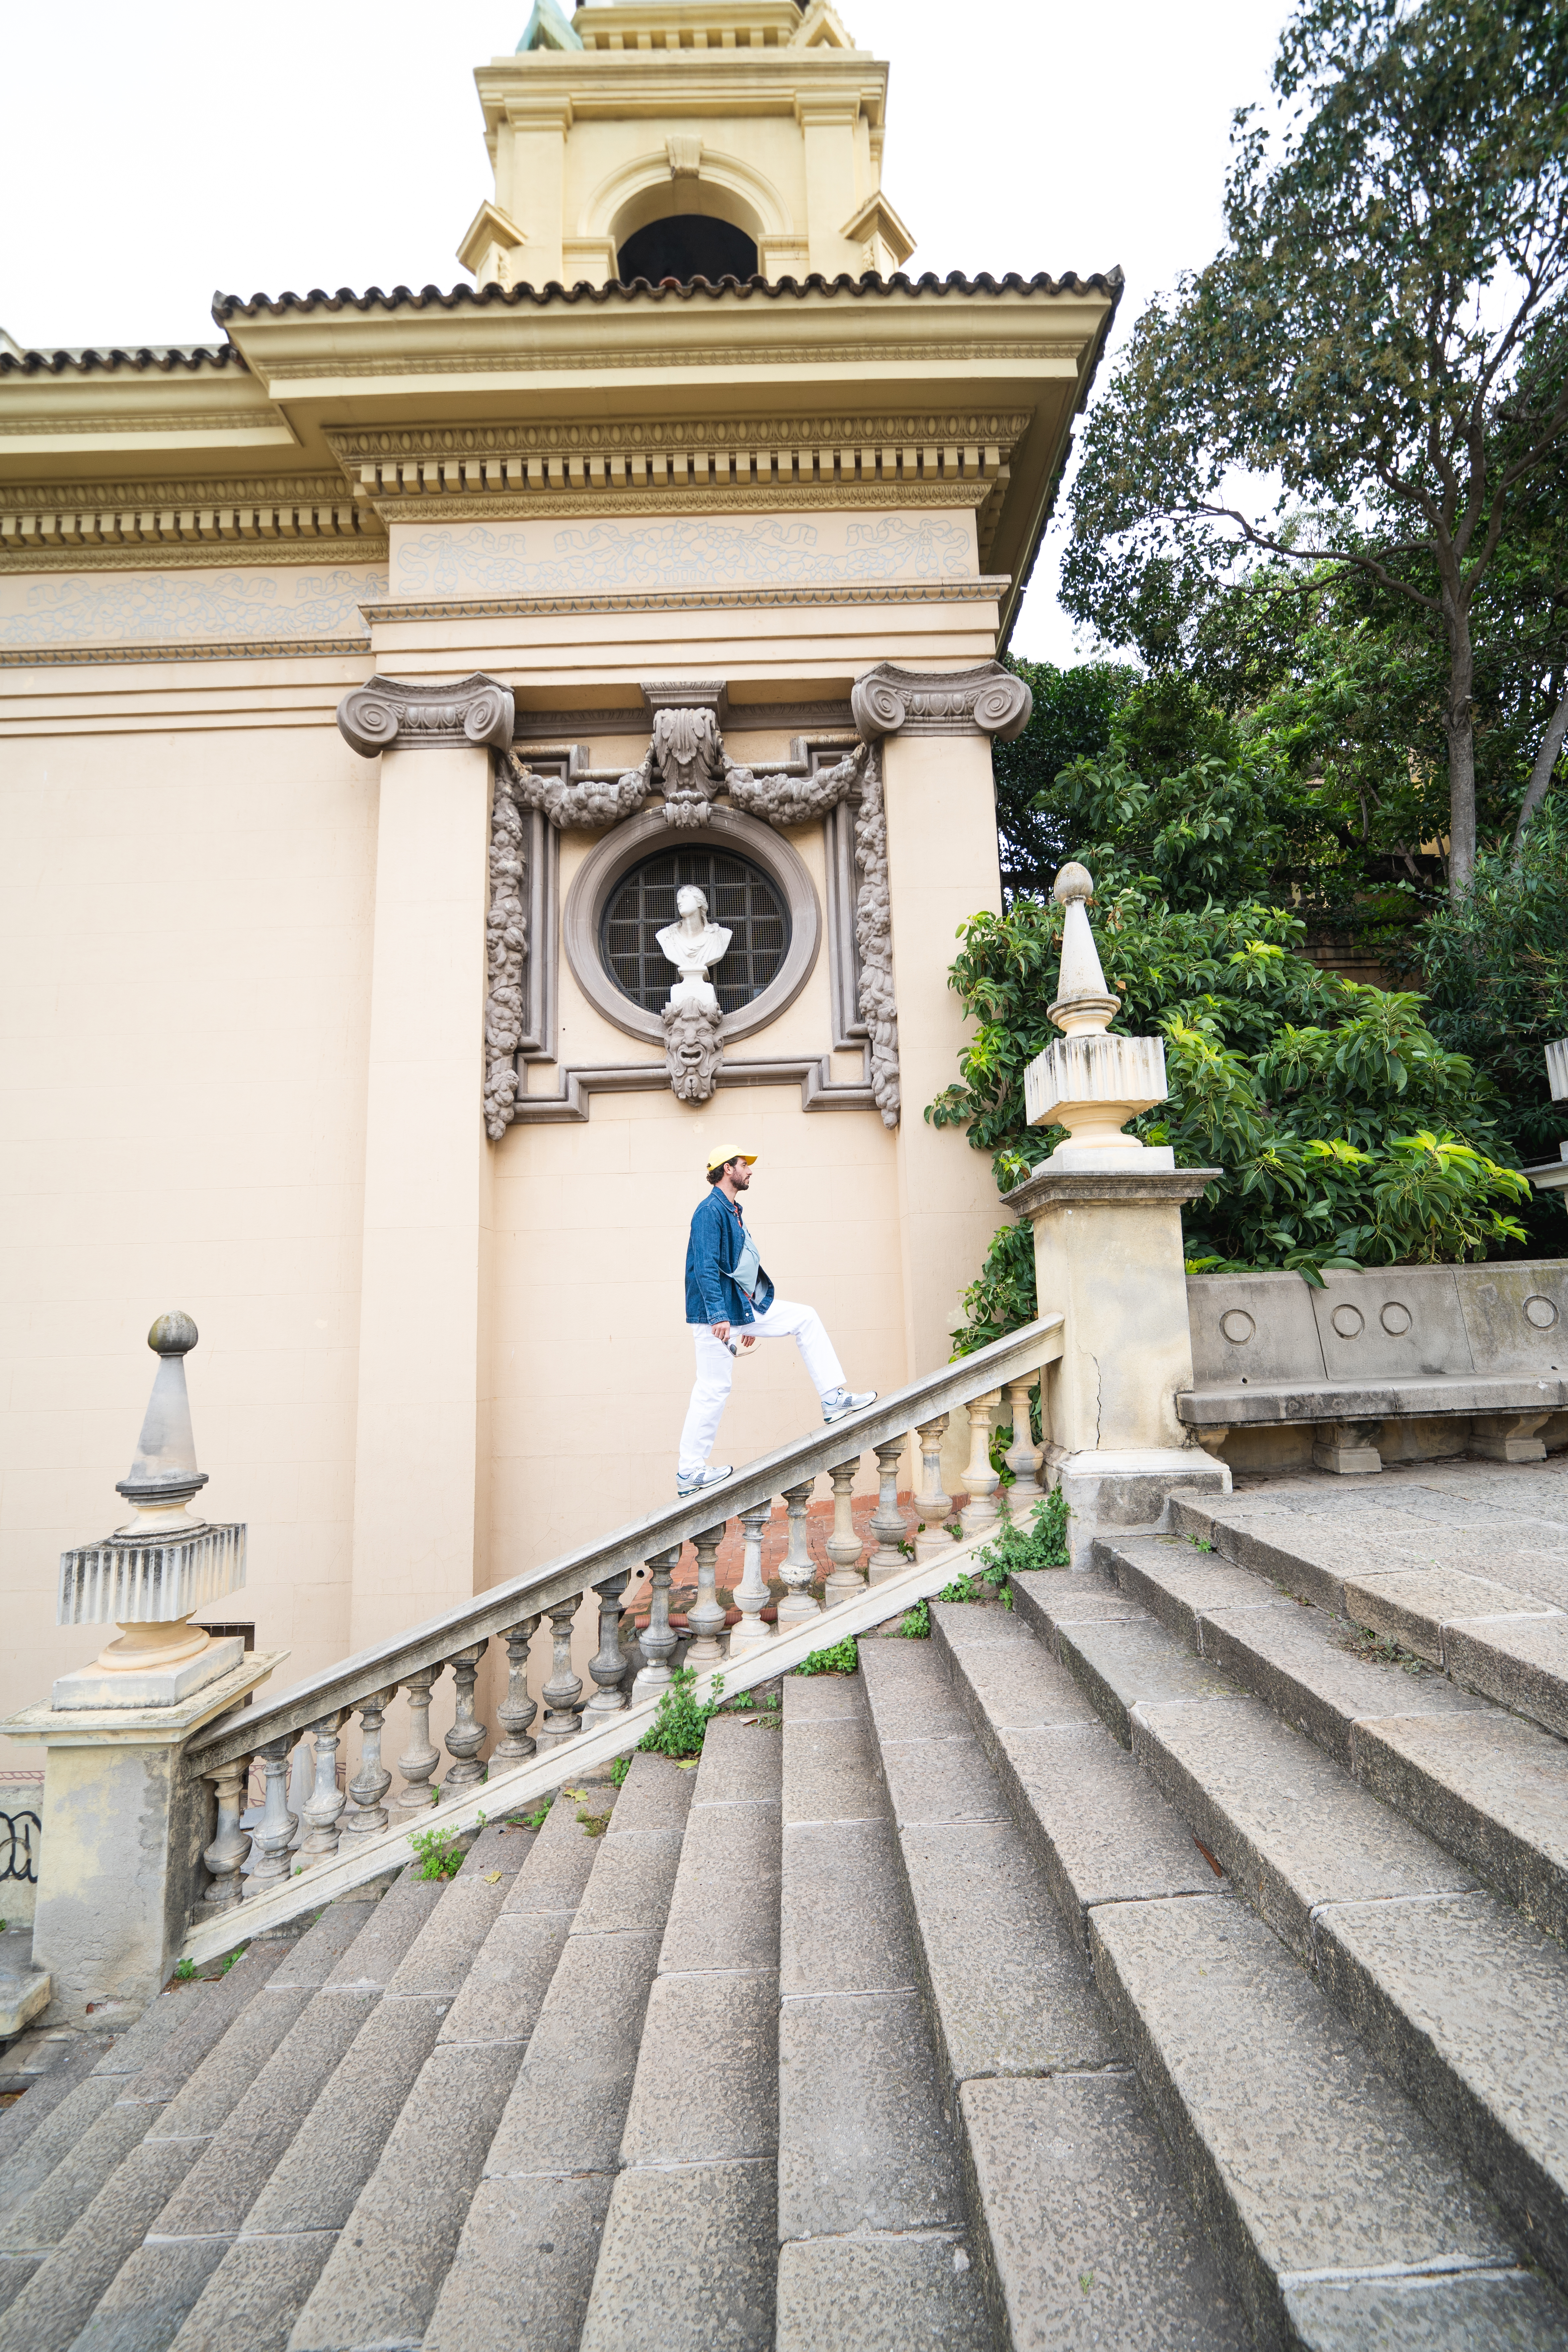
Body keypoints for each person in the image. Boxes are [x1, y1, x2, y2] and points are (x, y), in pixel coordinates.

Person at [677, 1145, 875, 1498]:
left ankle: (833, 1399)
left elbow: (739, 1266)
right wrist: (721, 1315)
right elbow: (705, 1266)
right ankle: (690, 1471)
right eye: (744, 1165)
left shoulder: (731, 1210)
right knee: (712, 1388)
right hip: (716, 1315)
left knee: (805, 1317)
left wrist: (749, 1314)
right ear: (727, 1169)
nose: (750, 1171)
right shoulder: (709, 1211)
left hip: (739, 1308)